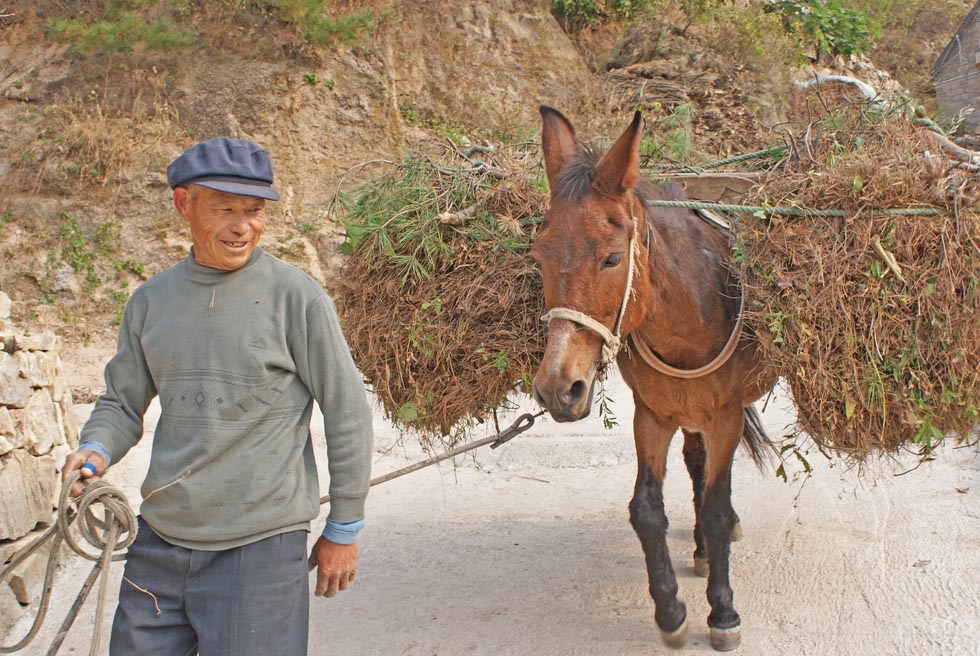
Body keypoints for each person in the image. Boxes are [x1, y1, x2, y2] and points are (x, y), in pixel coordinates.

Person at [61, 137, 374, 656]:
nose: (242, 226)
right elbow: (121, 402)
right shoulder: (150, 303)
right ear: (185, 204)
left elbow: (348, 412)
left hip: (260, 550)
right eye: (226, 209)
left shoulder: (297, 299)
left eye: (254, 211)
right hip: (160, 540)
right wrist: (95, 448)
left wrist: (344, 526)